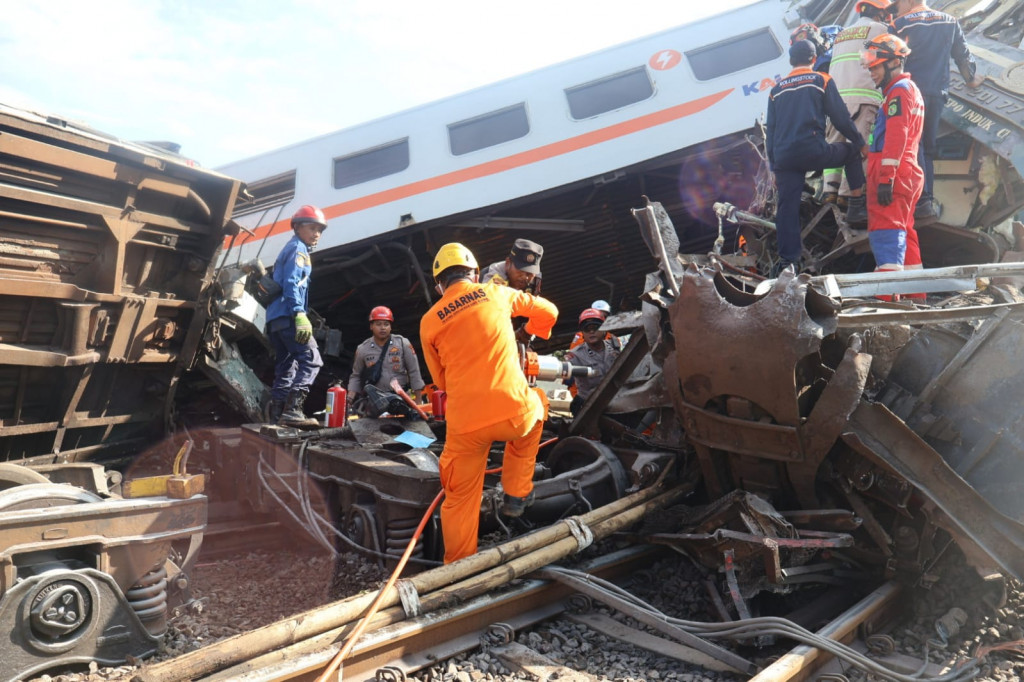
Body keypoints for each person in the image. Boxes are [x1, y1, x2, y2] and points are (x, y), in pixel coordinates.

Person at [420, 242, 558, 563]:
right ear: (474, 273)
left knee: (458, 499)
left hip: (465, 426)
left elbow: (441, 382)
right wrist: (527, 333)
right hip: (514, 413)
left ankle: (457, 568)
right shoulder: (495, 294)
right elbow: (549, 311)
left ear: (439, 284)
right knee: (537, 403)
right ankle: (516, 492)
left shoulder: (429, 321)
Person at [766, 40, 868, 274]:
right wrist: (860, 143)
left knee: (787, 209)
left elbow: (771, 130)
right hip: (813, 151)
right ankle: (857, 207)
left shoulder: (776, 90)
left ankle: (787, 262)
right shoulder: (822, 80)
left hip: (784, 158)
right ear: (814, 59)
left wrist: (774, 165)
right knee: (850, 152)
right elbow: (840, 118)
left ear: (791, 61)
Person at [889, 0, 984, 225]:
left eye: (898, 3)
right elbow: (963, 58)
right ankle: (927, 200)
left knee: (911, 145)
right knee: (926, 149)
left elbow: (889, 60)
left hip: (908, 92)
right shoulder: (950, 22)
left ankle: (919, 200)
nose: (895, 7)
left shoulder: (899, 25)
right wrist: (972, 80)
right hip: (936, 94)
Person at [862, 35, 927, 298]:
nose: (872, 72)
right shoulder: (908, 90)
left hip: (894, 172)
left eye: (875, 67)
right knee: (904, 233)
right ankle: (917, 297)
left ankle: (886, 302)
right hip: (907, 171)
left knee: (887, 234)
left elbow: (896, 135)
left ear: (892, 63)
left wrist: (886, 177)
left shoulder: (899, 91)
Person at [822, 0, 891, 205]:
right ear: (881, 13)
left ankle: (829, 189)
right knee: (861, 147)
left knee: (835, 145)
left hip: (836, 100)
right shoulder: (880, 29)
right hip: (864, 97)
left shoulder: (841, 34)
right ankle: (848, 194)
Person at [265, 205, 327, 428]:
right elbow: (291, 283)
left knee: (286, 368)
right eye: (312, 228)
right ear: (298, 227)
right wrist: (300, 314)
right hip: (289, 315)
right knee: (312, 360)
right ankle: (292, 411)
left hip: (275, 320)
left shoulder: (291, 247)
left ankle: (276, 417)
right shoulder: (298, 249)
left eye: (320, 230)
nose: (317, 233)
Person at [347, 306, 426, 408]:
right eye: (378, 324)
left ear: (390, 327)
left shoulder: (403, 344)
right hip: (376, 402)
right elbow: (356, 376)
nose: (383, 328)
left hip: (402, 399)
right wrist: (349, 399)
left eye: (386, 324)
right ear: (371, 326)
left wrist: (418, 403)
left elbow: (414, 372)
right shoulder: (363, 349)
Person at [564, 308, 622, 416]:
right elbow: (564, 373)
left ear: (604, 329)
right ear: (582, 333)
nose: (591, 331)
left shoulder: (615, 347)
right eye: (587, 329)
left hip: (614, 403)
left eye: (595, 327)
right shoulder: (575, 355)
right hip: (588, 406)